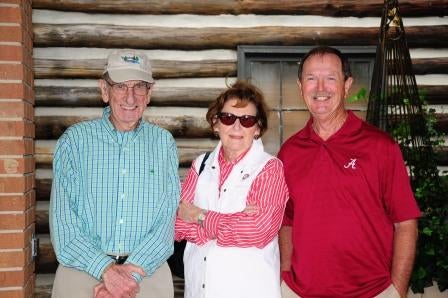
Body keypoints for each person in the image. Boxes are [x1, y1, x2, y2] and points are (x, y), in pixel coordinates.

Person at [278, 46, 421, 298]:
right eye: (311, 79)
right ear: (300, 86)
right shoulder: (289, 152)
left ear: (347, 85)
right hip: (301, 293)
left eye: (331, 78)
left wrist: (396, 292)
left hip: (371, 292)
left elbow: (405, 223)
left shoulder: (380, 147)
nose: (320, 88)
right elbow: (286, 222)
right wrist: (286, 279)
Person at [50, 50, 180, 298]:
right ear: (104, 89)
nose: (130, 96)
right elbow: (63, 224)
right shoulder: (74, 141)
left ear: (149, 93)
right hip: (81, 273)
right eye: (120, 86)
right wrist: (107, 271)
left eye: (139, 86)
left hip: (146, 274)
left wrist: (128, 276)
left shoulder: (164, 143)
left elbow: (166, 221)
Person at [175, 81, 289, 298]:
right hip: (199, 289)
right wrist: (234, 222)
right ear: (216, 124)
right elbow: (179, 224)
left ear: (257, 128)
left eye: (247, 120)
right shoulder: (200, 164)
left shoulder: (270, 168)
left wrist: (199, 215)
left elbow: (257, 231)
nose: (237, 127)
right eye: (228, 118)